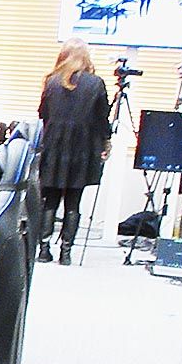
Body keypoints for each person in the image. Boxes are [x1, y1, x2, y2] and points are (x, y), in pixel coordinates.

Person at [37, 38, 112, 265]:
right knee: (73, 202)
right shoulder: (96, 84)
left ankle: (43, 250)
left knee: (49, 200)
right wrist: (106, 142)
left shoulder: (51, 82)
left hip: (54, 148)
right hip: (82, 150)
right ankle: (66, 253)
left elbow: (43, 114)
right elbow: (102, 119)